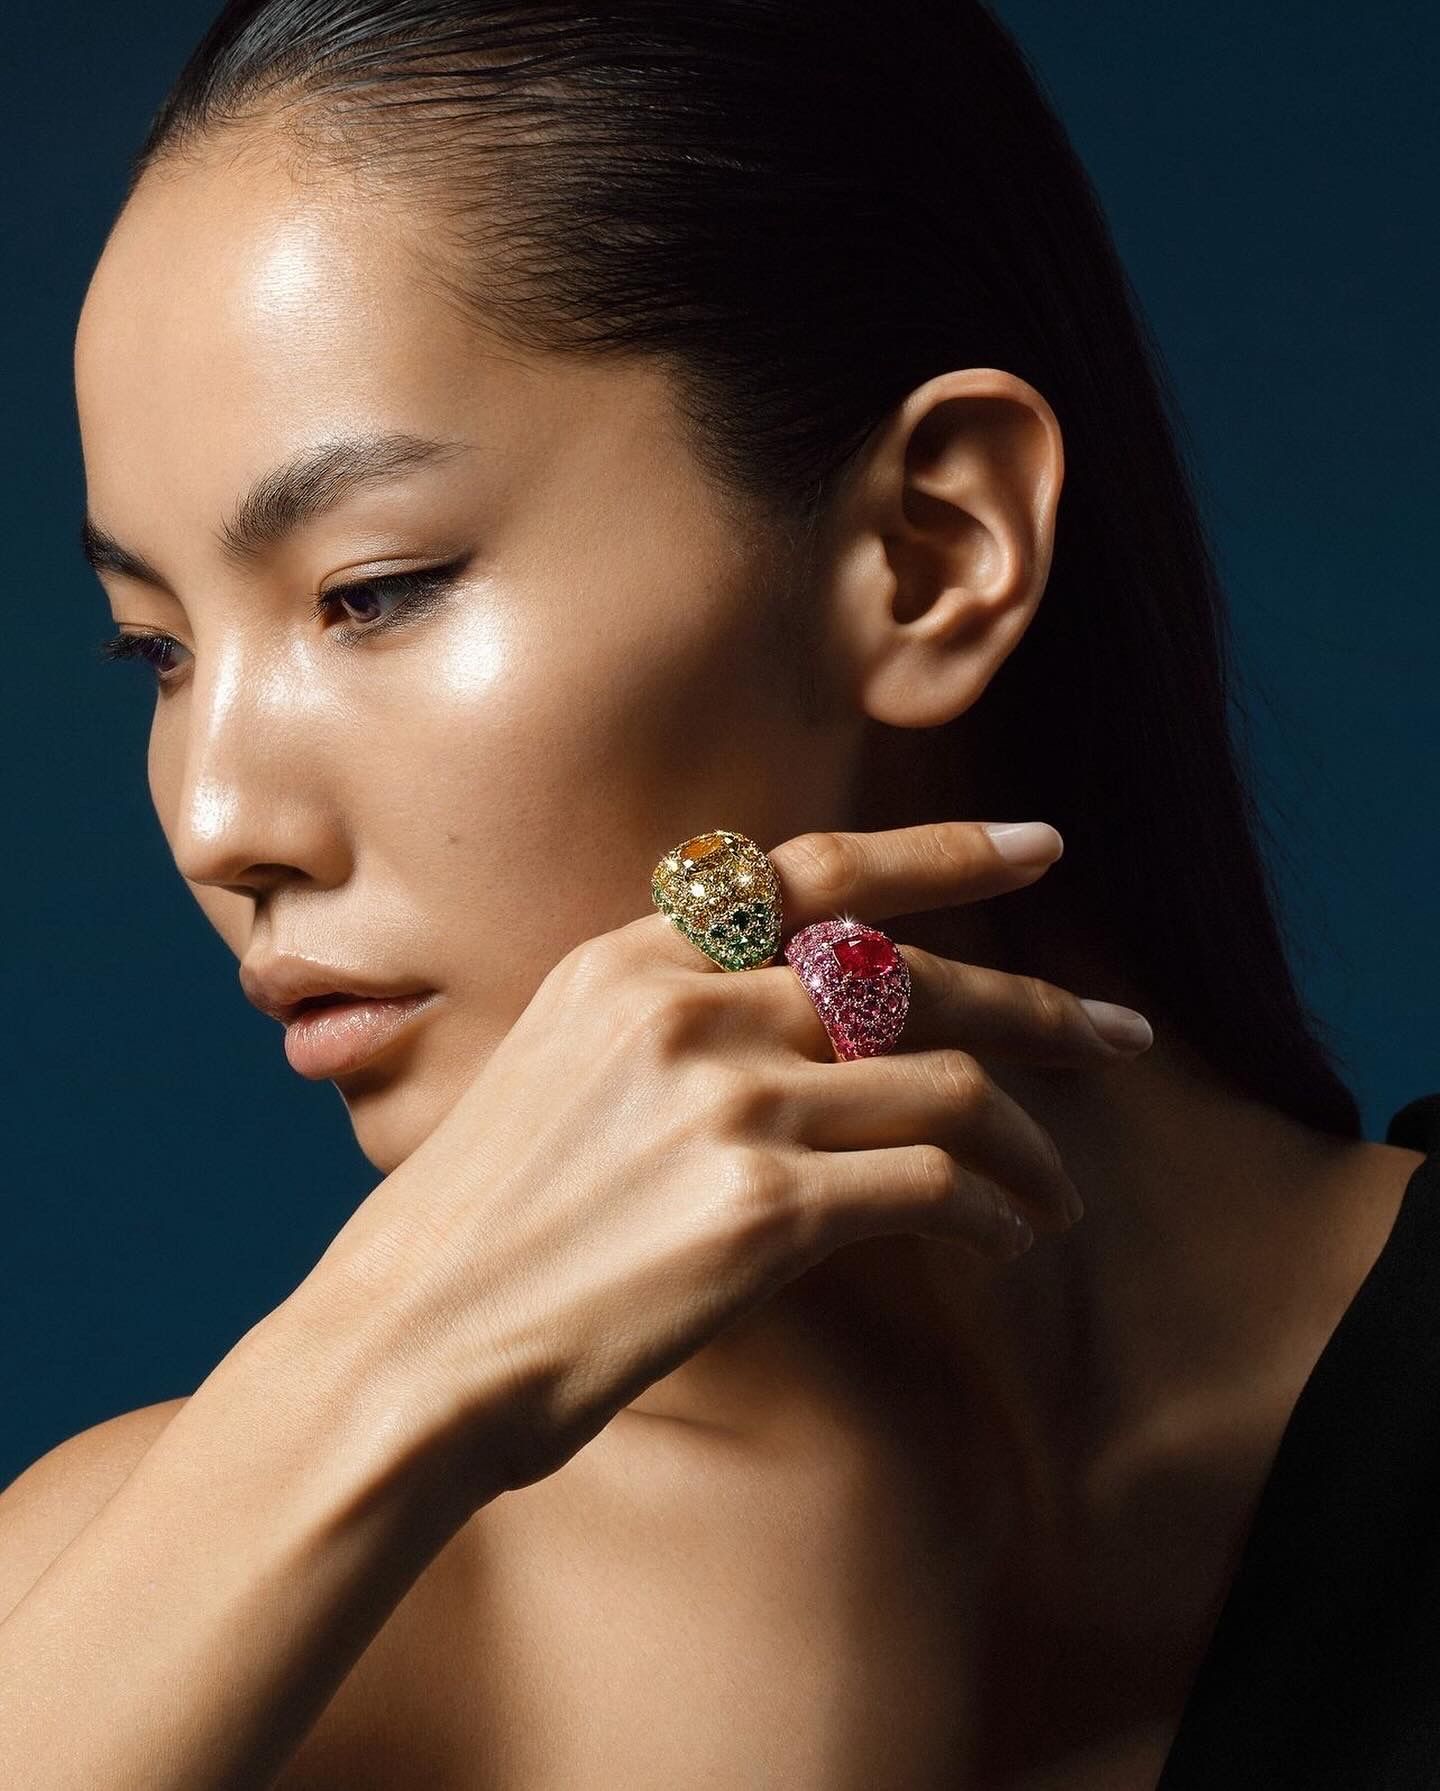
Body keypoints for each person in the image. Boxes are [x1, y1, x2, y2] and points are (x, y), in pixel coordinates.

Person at [1, 1, 1432, 1785]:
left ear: (930, 553)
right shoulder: (137, 1601)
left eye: (373, 589)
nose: (217, 820)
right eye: (155, 649)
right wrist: (374, 1377)